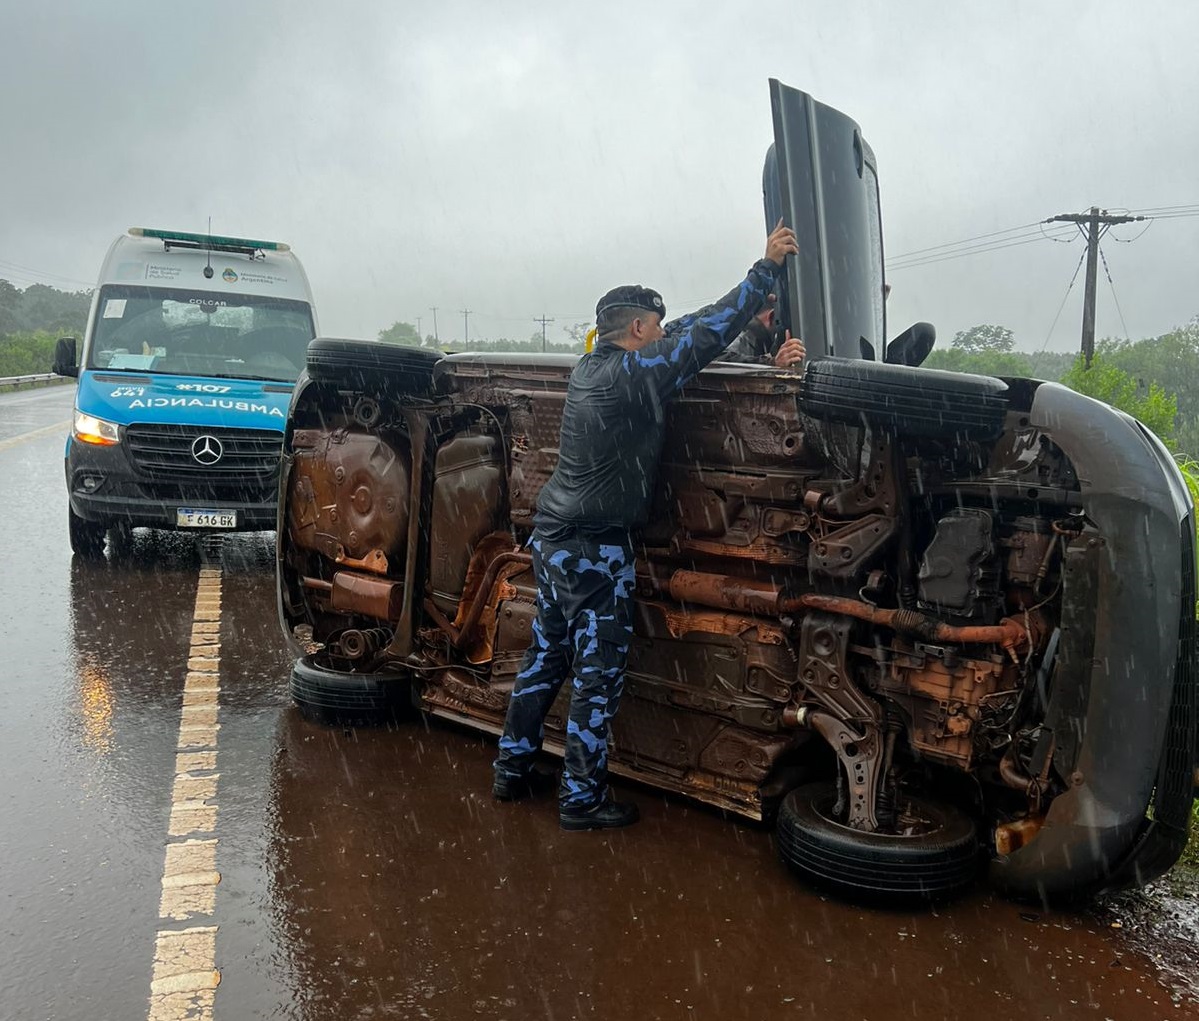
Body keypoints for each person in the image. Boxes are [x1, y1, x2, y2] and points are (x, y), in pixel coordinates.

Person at [492, 220, 800, 830]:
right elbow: (702, 338)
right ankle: (581, 799)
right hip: (595, 550)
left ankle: (512, 768)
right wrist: (761, 271)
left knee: (546, 658)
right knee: (598, 674)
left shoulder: (592, 368)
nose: (662, 332)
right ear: (637, 330)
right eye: (654, 326)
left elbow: (684, 330)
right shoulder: (634, 377)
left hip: (556, 541)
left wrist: (738, 320)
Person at [716, 293, 806, 368]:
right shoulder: (743, 339)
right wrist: (772, 363)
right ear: (772, 316)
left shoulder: (757, 342)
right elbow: (719, 361)